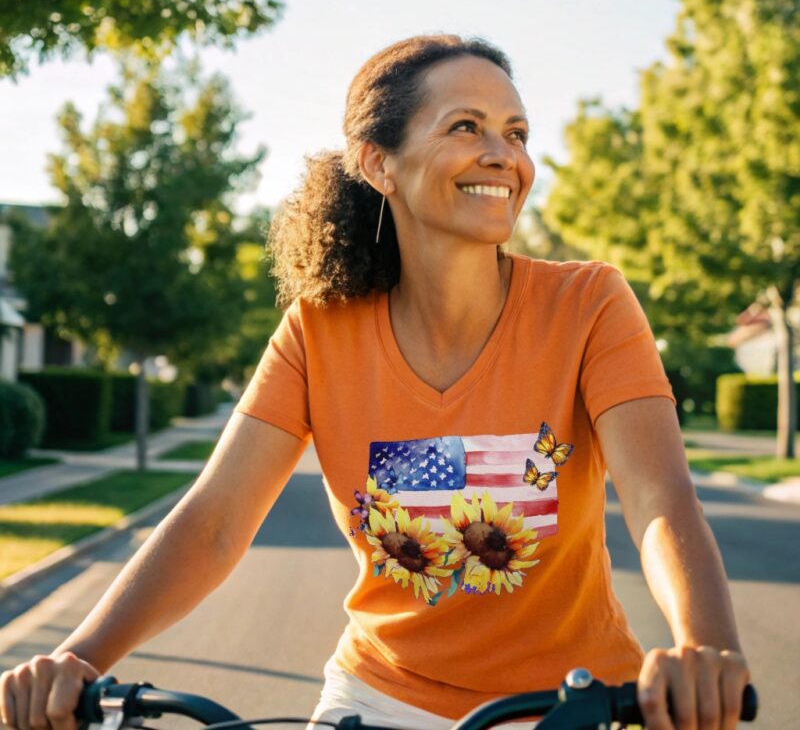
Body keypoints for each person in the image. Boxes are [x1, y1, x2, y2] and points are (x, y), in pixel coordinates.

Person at [0, 35, 749, 730]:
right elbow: (215, 522)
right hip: (376, 699)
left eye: (515, 134)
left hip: (571, 703)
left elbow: (659, 500)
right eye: (466, 127)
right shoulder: (318, 332)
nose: (503, 156)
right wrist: (79, 659)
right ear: (378, 163)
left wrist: (706, 651)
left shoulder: (589, 303)